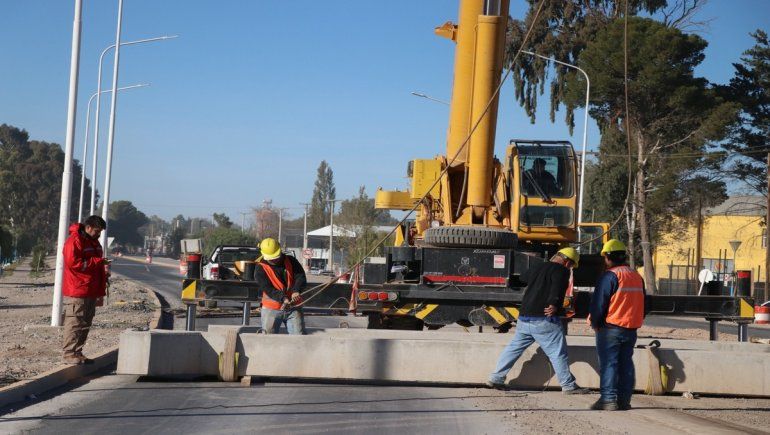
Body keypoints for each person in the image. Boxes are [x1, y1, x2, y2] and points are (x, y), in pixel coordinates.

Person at [487, 247, 589, 394]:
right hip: (544, 319)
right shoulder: (562, 270)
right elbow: (558, 287)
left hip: (524, 317)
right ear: (567, 261)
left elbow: (522, 278)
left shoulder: (538, 266)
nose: (570, 268)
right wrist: (554, 303)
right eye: (571, 265)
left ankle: (496, 378)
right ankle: (568, 385)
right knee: (557, 353)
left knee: (513, 349)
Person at [589, 239, 646, 411]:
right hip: (631, 328)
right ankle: (624, 401)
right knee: (626, 364)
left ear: (607, 257)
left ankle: (608, 400)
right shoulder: (636, 276)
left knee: (609, 364)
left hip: (611, 328)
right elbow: (645, 303)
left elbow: (599, 303)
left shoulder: (610, 276)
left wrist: (595, 322)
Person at [62, 215, 110, 364]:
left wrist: (103, 270)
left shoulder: (94, 242)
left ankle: (78, 352)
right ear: (88, 227)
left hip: (91, 289)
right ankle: (69, 353)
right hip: (78, 288)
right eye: (97, 231)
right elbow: (73, 263)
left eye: (100, 231)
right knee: (75, 321)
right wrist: (98, 262)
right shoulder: (75, 241)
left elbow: (94, 264)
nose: (99, 234)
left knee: (85, 323)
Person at [255, 238, 307, 335]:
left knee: (299, 339)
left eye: (276, 256)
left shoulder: (291, 261)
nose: (275, 260)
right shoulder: (260, 268)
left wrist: (296, 290)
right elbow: (268, 288)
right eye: (271, 258)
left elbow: (300, 277)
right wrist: (283, 298)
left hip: (293, 307)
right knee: (269, 340)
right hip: (271, 308)